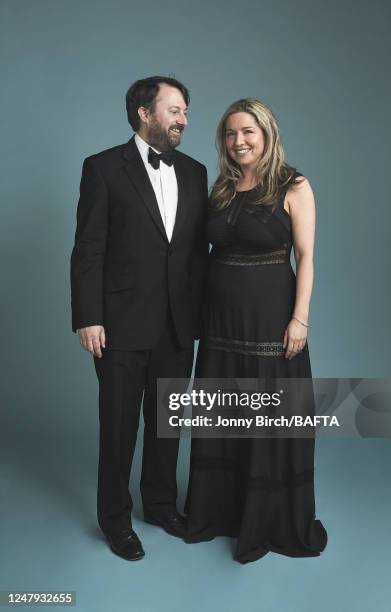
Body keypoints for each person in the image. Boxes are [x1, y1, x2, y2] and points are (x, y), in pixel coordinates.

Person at [70, 76, 209, 561]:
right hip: (120, 325)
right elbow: (88, 248)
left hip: (177, 324)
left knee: (167, 422)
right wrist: (88, 316)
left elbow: (195, 253)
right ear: (144, 113)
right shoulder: (103, 168)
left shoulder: (195, 171)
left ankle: (162, 506)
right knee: (119, 425)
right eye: (174, 110)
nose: (184, 120)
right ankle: (114, 519)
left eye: (186, 112)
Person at [184, 98, 328, 563]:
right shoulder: (223, 186)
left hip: (270, 320)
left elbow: (305, 257)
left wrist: (299, 319)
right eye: (230, 133)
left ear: (266, 134)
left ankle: (266, 519)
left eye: (247, 132)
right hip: (220, 324)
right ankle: (220, 514)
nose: (238, 141)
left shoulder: (294, 184)